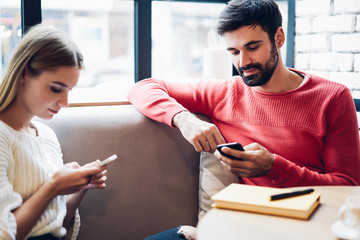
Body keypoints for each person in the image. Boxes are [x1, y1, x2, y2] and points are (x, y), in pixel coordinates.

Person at [128, 0, 360, 239]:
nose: (243, 62)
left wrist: (274, 167)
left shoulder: (332, 97)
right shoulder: (225, 92)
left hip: (309, 227)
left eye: (253, 47)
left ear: (278, 38)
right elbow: (144, 87)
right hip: (243, 226)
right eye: (234, 52)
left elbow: (348, 188)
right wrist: (185, 119)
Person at [0, 24, 109, 240]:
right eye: (56, 88)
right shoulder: (3, 136)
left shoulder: (46, 136)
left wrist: (80, 187)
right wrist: (53, 186)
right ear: (24, 74)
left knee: (180, 235)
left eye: (69, 90)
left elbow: (58, 224)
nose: (65, 103)